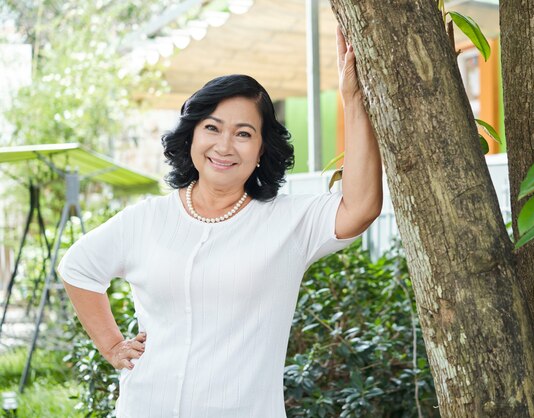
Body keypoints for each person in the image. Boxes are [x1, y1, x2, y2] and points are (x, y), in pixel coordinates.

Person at [57, 27, 382, 417]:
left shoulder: (289, 221)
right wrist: (112, 346)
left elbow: (361, 206)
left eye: (243, 134)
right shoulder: (145, 219)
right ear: (191, 135)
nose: (224, 146)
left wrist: (353, 98)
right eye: (212, 127)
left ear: (262, 150)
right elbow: (78, 267)